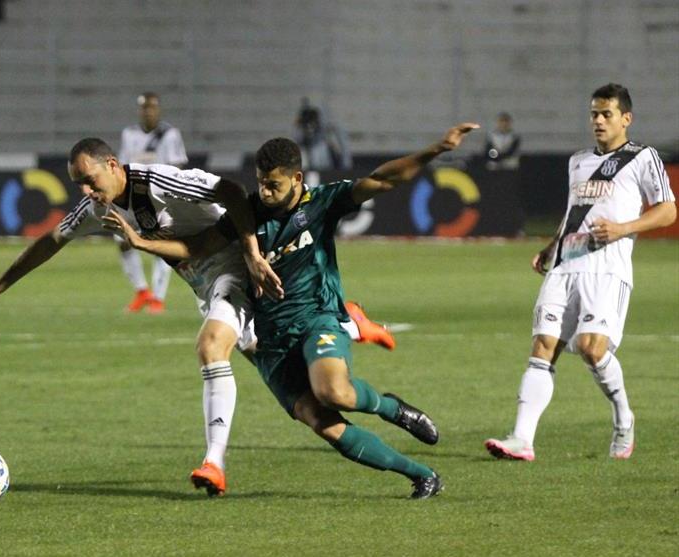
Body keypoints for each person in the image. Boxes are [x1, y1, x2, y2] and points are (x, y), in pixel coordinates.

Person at [104, 123, 480, 498]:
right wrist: (140, 242)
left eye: (274, 185)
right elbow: (196, 248)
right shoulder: (247, 214)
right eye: (261, 183)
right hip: (269, 342)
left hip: (317, 319)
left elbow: (383, 180)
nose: (265, 192)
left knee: (333, 392)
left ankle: (391, 408)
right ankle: (422, 475)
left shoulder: (321, 203)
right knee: (323, 423)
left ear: (297, 178)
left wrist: (436, 150)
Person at [0, 137, 281, 496]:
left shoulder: (158, 180)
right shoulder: (98, 207)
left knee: (211, 348)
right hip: (207, 289)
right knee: (276, 365)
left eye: (90, 179)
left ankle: (214, 464)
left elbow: (232, 191)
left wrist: (253, 255)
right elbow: (52, 240)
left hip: (235, 270)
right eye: (78, 185)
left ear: (113, 165)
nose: (86, 190)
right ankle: (341, 326)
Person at [484, 83, 676, 462]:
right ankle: (523, 438)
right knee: (543, 346)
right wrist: (551, 246)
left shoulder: (643, 157)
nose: (599, 121)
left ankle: (623, 417)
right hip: (566, 264)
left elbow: (668, 210)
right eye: (594, 114)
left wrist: (623, 229)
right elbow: (574, 211)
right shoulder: (578, 161)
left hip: (607, 269)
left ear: (626, 118)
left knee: (591, 349)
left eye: (606, 114)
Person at [115, 92, 188, 314]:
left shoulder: (169, 134)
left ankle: (158, 298)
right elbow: (122, 166)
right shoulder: (129, 134)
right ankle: (141, 291)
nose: (148, 111)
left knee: (160, 245)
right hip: (133, 197)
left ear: (158, 110)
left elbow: (178, 167)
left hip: (159, 198)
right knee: (121, 239)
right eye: (144, 108)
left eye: (152, 107)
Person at [294, 97, 352, 171]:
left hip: (326, 170)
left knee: (320, 149)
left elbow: (344, 152)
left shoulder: (322, 145)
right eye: (307, 125)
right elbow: (297, 137)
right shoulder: (301, 147)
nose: (310, 128)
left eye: (312, 123)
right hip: (307, 167)